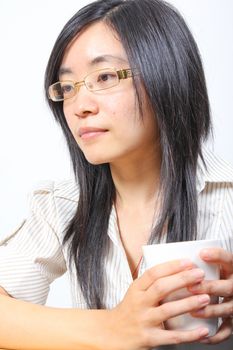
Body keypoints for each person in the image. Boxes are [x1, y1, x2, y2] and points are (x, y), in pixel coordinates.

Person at [0, 0, 232, 349]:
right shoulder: (61, 206)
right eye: (67, 88)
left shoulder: (225, 194)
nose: (79, 106)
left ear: (166, 76)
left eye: (105, 77)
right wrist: (112, 328)